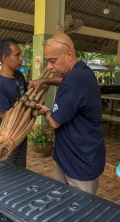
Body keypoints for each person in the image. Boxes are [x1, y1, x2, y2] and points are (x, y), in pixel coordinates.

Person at [28, 33, 106, 195]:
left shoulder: (73, 83)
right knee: (64, 209)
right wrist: (44, 81)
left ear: (69, 55)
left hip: (79, 164)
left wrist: (45, 110)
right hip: (72, 158)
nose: (48, 66)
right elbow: (65, 81)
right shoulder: (81, 71)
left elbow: (55, 121)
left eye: (52, 60)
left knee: (79, 215)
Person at [0, 37, 28, 167]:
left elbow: (26, 97)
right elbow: (4, 115)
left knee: (21, 170)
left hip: (20, 131)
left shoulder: (19, 76)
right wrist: (27, 113)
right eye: (17, 55)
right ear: (5, 57)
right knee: (5, 171)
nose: (21, 58)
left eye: (20, 54)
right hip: (5, 134)